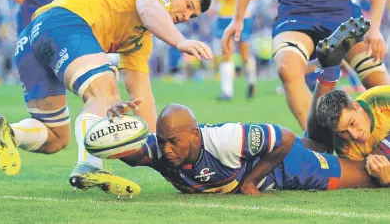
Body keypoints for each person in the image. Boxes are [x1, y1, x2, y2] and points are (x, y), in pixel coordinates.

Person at [0, 0, 213, 197]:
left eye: (192, 16)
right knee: (105, 94)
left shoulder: (140, 40)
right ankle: (91, 167)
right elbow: (149, 10)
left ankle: (11, 133)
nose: (186, 16)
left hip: (31, 40)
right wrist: (180, 41)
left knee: (56, 137)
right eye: (188, 5)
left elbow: (141, 92)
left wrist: (159, 147)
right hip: (65, 21)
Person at [221, 0, 389, 130]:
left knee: (380, 86)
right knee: (286, 68)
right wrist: (237, 18)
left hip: (341, 13)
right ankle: (319, 145)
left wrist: (375, 28)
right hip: (295, 14)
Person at [119, 103, 386, 195]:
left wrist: (250, 182)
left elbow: (284, 138)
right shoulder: (161, 149)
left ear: (194, 134)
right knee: (318, 144)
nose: (167, 149)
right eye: (163, 140)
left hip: (288, 165)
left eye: (173, 142)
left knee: (367, 176)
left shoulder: (225, 139)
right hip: (266, 155)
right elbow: (127, 153)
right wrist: (113, 127)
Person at [304, 18, 390, 186]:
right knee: (320, 144)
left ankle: (327, 71)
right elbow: (373, 174)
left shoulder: (382, 98)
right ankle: (328, 69)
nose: (354, 135)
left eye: (352, 123)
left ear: (357, 106)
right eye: (343, 132)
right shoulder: (345, 146)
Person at [211, 0, 256, 100]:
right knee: (226, 52)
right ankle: (227, 92)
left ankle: (251, 81)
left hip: (241, 17)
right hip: (224, 17)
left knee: (244, 53)